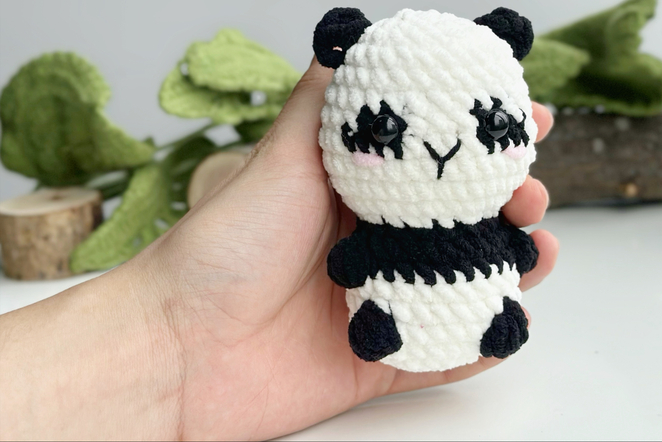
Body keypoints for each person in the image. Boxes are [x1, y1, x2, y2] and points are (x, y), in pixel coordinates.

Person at [0, 60, 558, 440]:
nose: (441, 146)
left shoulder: (479, 218)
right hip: (388, 310)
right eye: (388, 131)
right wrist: (174, 339)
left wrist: (517, 251)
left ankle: (495, 321)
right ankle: (389, 326)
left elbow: (517, 250)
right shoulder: (379, 214)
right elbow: (350, 260)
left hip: (478, 302)